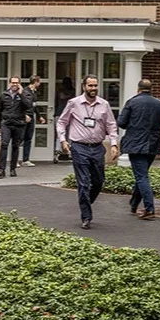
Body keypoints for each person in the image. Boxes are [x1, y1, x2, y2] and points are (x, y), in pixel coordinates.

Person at [56, 75, 119, 230]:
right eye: (90, 86)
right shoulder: (74, 103)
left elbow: (111, 125)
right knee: (83, 183)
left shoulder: (104, 105)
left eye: (95, 86)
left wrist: (114, 144)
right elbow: (62, 122)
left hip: (97, 148)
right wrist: (63, 140)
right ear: (84, 86)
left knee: (98, 182)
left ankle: (85, 202)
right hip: (79, 147)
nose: (93, 89)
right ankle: (86, 216)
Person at [117, 78, 160, 221]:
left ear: (138, 89)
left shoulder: (132, 102)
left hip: (135, 144)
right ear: (151, 89)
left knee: (141, 177)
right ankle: (134, 203)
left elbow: (121, 122)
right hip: (153, 144)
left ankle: (149, 208)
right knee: (142, 175)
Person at [0, 76, 32, 179]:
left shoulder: (25, 95)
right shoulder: (4, 95)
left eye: (16, 83)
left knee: (15, 146)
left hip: (18, 124)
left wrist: (21, 94)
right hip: (6, 123)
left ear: (19, 84)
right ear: (9, 83)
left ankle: (12, 168)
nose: (14, 84)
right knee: (4, 145)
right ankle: (1, 169)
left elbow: (28, 106)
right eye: (13, 82)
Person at [20, 75, 46, 167]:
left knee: (28, 138)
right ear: (35, 82)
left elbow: (34, 106)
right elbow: (22, 105)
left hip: (31, 117)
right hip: (24, 117)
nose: (40, 83)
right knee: (20, 138)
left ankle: (25, 159)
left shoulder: (34, 92)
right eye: (39, 81)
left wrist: (39, 117)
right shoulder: (25, 91)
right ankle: (14, 159)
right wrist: (24, 115)